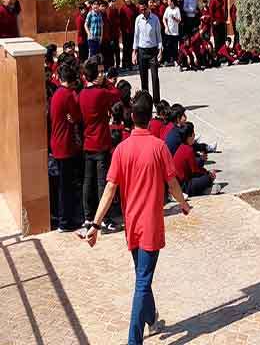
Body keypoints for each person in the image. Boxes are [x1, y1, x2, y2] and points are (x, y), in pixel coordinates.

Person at [81, 90, 191, 345]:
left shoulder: (121, 149)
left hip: (132, 226)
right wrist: (184, 205)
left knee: (142, 276)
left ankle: (151, 317)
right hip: (151, 226)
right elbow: (173, 184)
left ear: (132, 116)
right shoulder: (159, 147)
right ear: (149, 117)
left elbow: (109, 189)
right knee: (142, 281)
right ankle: (134, 340)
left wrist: (95, 224)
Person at [79, 56, 124, 232]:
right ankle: (104, 218)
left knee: (88, 182)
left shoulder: (82, 94)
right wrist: (106, 82)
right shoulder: (100, 93)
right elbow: (116, 93)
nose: (102, 74)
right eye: (99, 72)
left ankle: (88, 217)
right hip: (101, 143)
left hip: (88, 143)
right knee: (102, 184)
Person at [49, 62, 82, 232]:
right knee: (66, 187)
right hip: (65, 146)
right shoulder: (69, 95)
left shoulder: (57, 94)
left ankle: (64, 219)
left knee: (63, 186)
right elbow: (76, 116)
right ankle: (65, 221)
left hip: (57, 144)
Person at [171, 123, 221, 196]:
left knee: (205, 175)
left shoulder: (181, 147)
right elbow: (195, 171)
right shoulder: (188, 150)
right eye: (193, 134)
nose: (194, 136)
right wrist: (208, 174)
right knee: (208, 178)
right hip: (184, 186)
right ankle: (202, 190)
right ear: (189, 136)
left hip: (178, 183)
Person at [133, 1, 163, 103]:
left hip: (153, 51)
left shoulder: (155, 19)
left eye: (144, 9)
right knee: (143, 78)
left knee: (155, 77)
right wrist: (134, 52)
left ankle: (156, 102)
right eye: (141, 10)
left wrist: (160, 51)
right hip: (142, 51)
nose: (143, 12)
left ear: (148, 8)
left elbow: (159, 36)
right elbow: (136, 36)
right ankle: (146, 102)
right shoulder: (138, 19)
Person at [120, 0, 138, 70]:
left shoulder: (134, 7)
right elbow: (120, 21)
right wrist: (121, 31)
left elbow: (137, 18)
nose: (127, 0)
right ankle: (124, 65)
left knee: (132, 47)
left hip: (133, 31)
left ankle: (131, 64)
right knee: (125, 48)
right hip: (125, 31)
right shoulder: (122, 8)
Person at [162, 0, 181, 66]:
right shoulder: (167, 9)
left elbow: (179, 20)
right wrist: (166, 27)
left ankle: (175, 60)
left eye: (169, 1)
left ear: (172, 2)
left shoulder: (177, 9)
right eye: (167, 1)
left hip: (175, 32)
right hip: (168, 32)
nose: (168, 2)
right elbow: (164, 18)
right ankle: (167, 60)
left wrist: (174, 18)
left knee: (175, 47)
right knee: (167, 46)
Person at [106, 0, 122, 69]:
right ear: (109, 2)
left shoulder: (115, 10)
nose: (114, 3)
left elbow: (118, 21)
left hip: (116, 33)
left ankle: (118, 65)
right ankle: (112, 66)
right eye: (112, 1)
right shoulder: (108, 10)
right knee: (111, 51)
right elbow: (108, 24)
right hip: (110, 35)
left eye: (114, 1)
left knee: (117, 50)